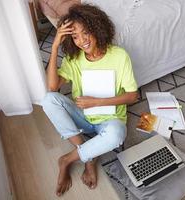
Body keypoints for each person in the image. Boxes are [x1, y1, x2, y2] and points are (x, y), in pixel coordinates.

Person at [41, 4, 138, 196]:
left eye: (85, 33)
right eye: (75, 36)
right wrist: (54, 47)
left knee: (117, 135)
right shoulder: (74, 58)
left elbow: (133, 96)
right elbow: (53, 87)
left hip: (110, 120)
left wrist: (96, 102)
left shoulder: (119, 56)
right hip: (83, 117)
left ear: (97, 29)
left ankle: (69, 159)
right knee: (49, 99)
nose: (82, 41)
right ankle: (88, 156)